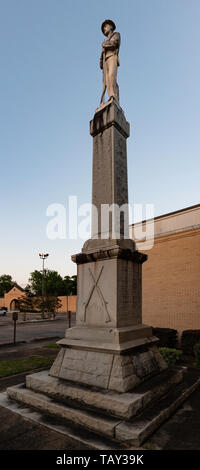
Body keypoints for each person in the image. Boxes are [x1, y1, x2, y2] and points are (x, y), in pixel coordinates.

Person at [100, 19, 121, 105]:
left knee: (111, 76)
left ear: (111, 26)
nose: (105, 28)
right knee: (107, 80)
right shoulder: (104, 41)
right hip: (106, 61)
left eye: (106, 26)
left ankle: (114, 96)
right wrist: (101, 60)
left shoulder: (116, 34)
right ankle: (110, 96)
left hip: (112, 56)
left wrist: (105, 45)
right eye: (104, 27)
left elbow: (114, 44)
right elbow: (102, 54)